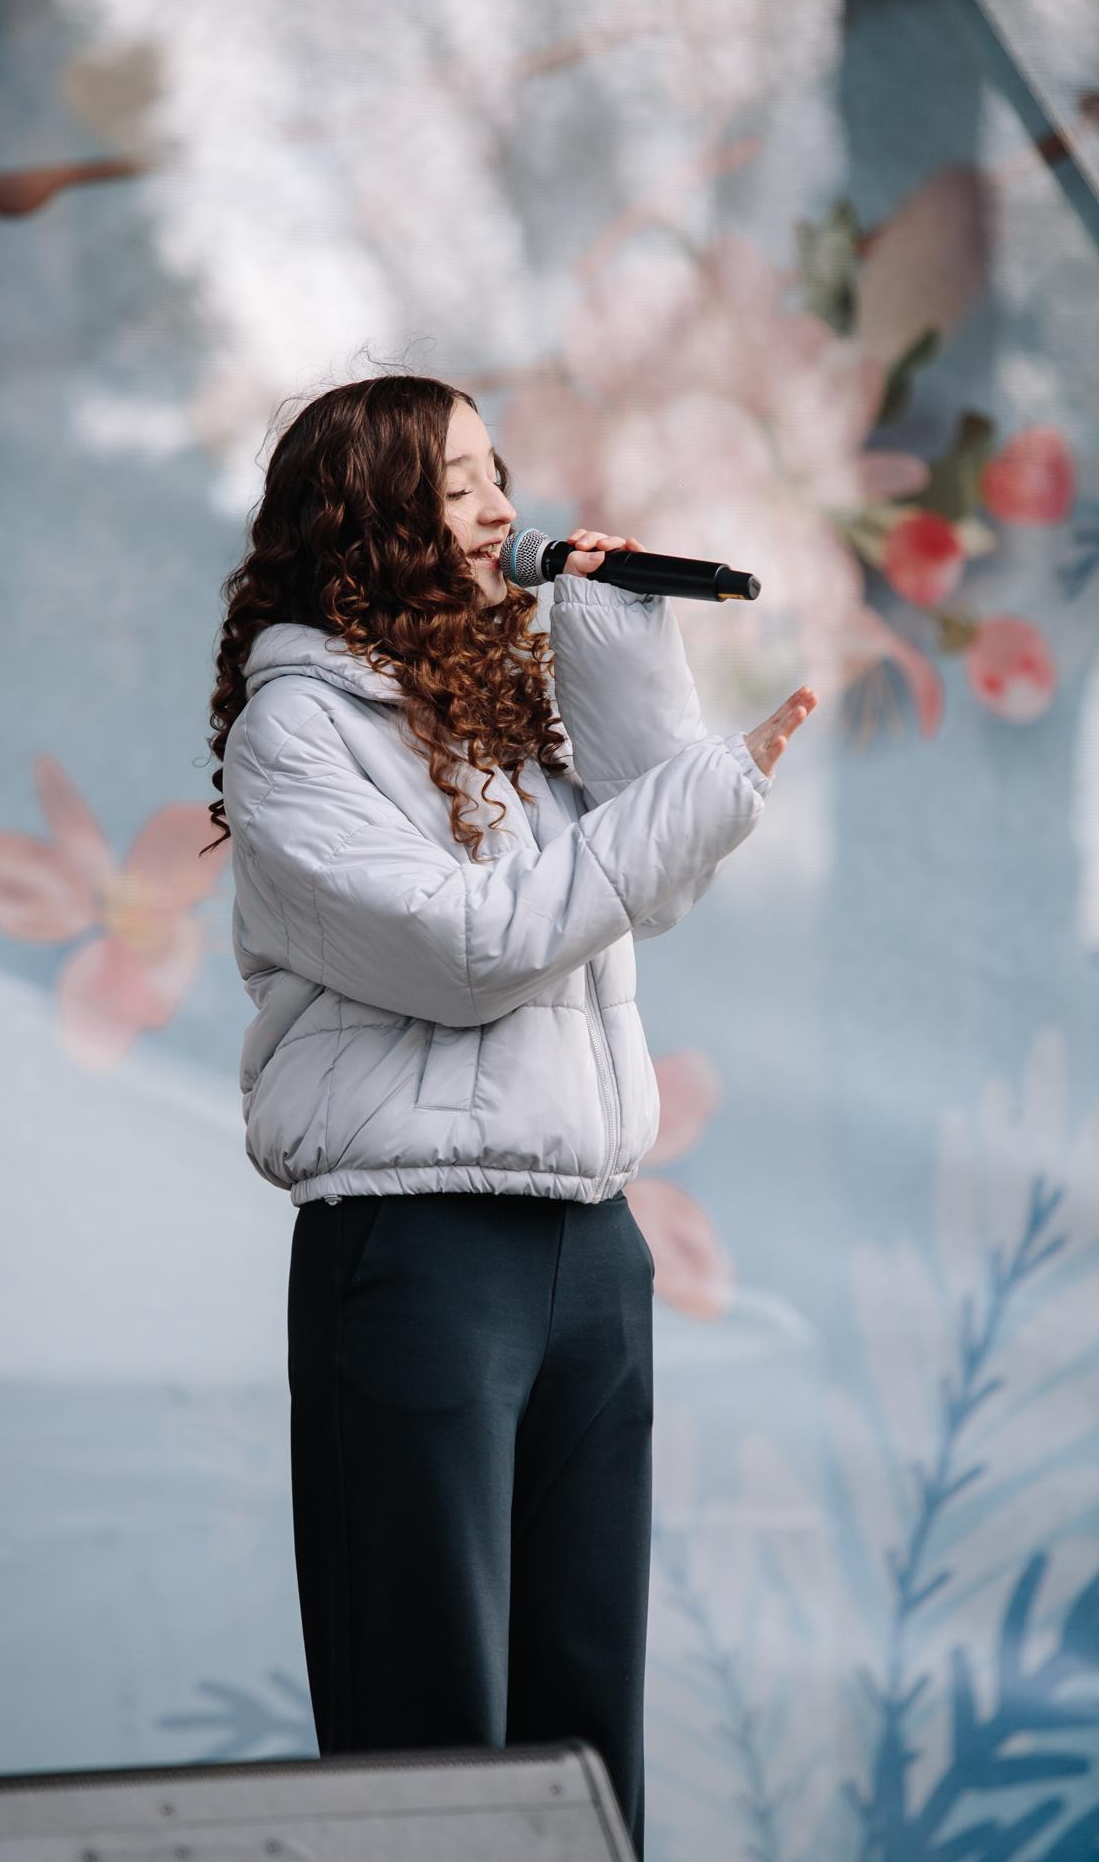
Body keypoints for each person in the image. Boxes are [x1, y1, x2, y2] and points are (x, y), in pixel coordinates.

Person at [202, 373, 816, 1859]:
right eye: (459, 483)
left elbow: (647, 881)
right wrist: (712, 787)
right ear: (369, 519)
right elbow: (472, 950)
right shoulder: (297, 733)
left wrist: (612, 640)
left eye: (499, 475)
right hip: (420, 1257)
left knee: (582, 1727)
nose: (500, 510)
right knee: (429, 1728)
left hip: (590, 1253)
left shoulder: (488, 710)